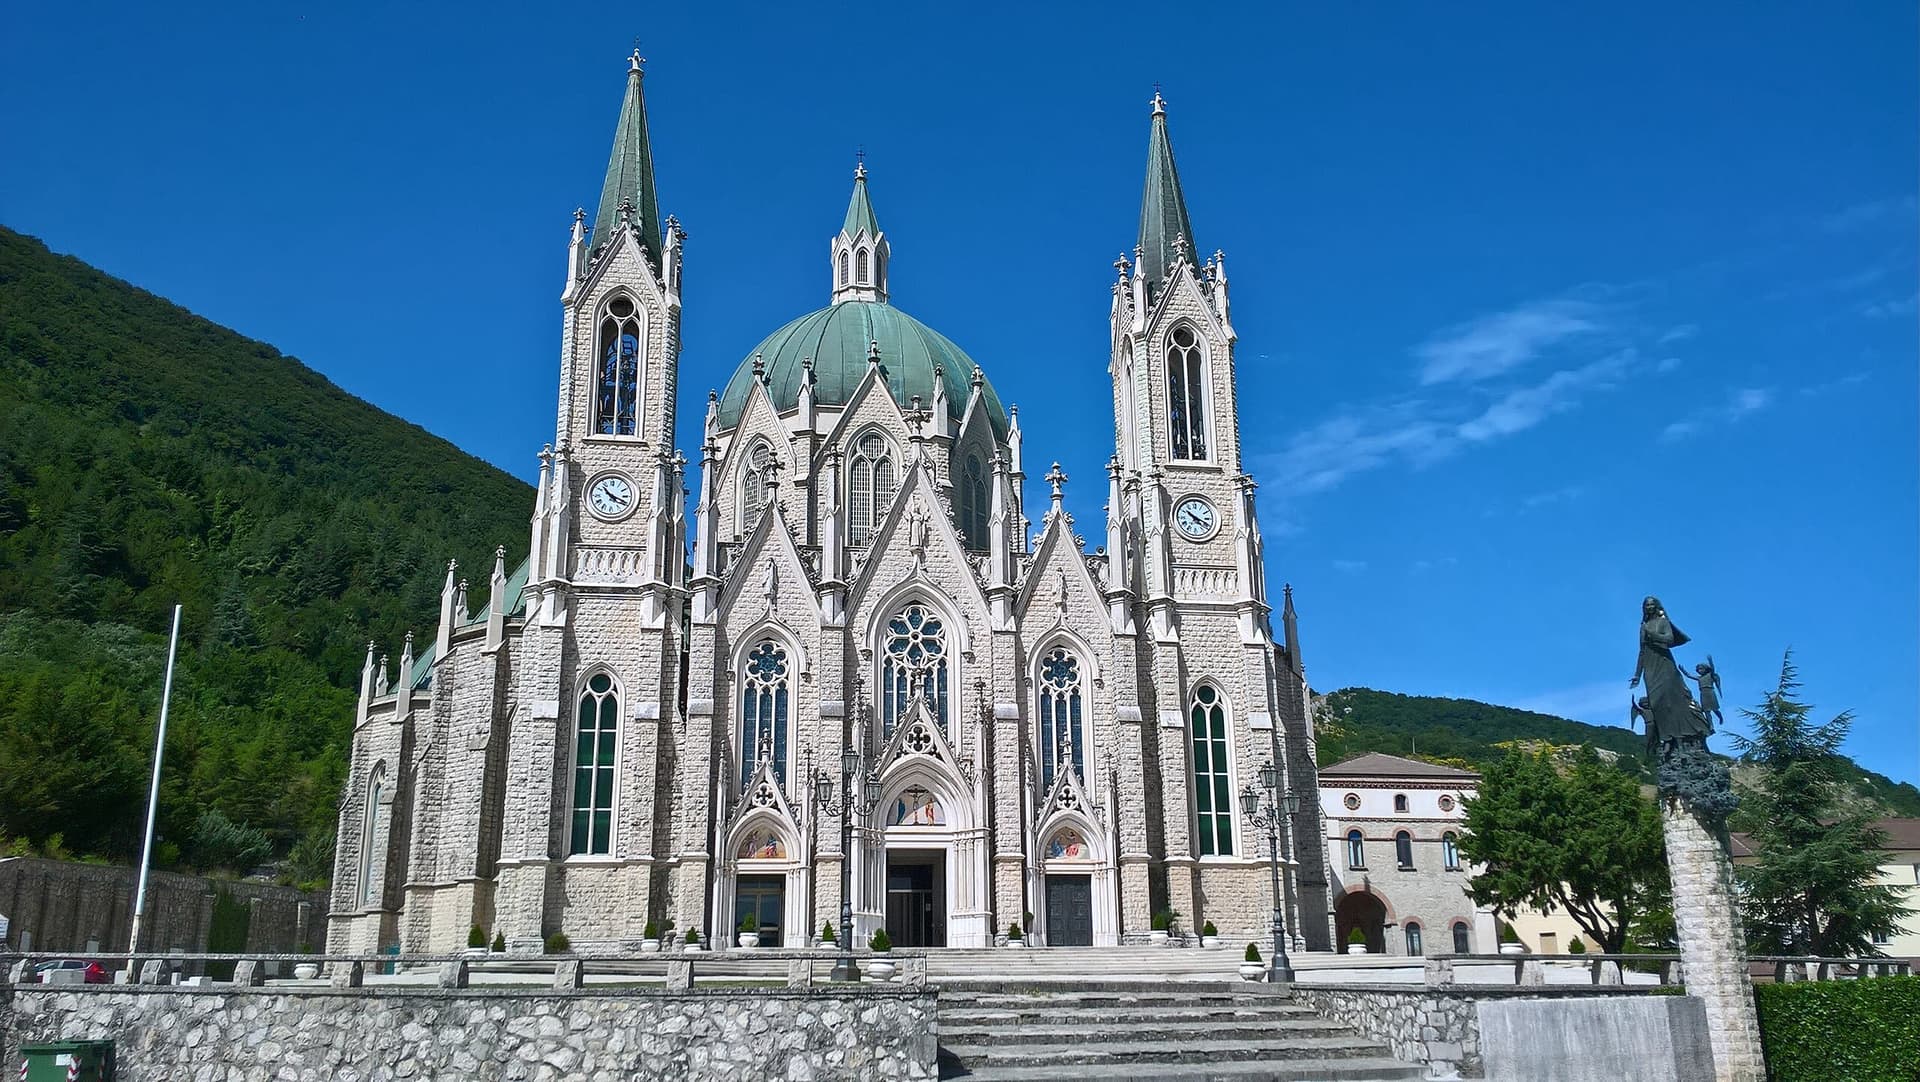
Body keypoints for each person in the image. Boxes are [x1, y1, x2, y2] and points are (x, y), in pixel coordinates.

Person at [1629, 596, 1714, 753]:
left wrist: (1653, 635)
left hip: (1664, 663)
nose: (1649, 607)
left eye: (1651, 605)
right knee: (1656, 702)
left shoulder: (1663, 622)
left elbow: (1669, 639)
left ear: (1656, 606)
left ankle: (1679, 736)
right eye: (1646, 605)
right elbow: (1642, 651)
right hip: (1650, 667)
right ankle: (1666, 737)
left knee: (1671, 700)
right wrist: (1637, 675)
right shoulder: (1643, 626)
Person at [1680, 656, 1724, 728]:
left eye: (1701, 669)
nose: (1699, 671)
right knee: (1706, 711)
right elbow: (1689, 675)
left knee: (1714, 709)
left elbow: (1713, 669)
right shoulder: (1699, 678)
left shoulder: (1710, 675)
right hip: (1703, 694)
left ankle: (1720, 717)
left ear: (1705, 669)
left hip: (1710, 692)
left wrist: (1710, 661)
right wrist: (1683, 670)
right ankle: (1711, 725)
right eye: (1698, 669)